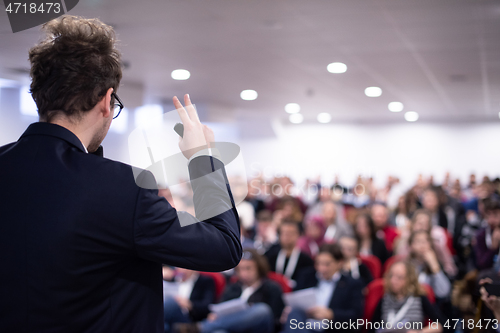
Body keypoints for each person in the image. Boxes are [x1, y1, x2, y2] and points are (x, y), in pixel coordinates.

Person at [0, 16, 242, 332]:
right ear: (105, 100)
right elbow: (224, 247)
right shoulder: (124, 189)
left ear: (38, 95)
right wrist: (202, 158)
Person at [175, 249, 285, 333]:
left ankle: (200, 328)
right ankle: (204, 327)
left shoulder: (272, 288)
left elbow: (274, 319)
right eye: (240, 269)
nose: (244, 274)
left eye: (248, 268)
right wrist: (214, 316)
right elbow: (220, 308)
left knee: (262, 310)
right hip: (232, 329)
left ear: (259, 267)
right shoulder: (234, 288)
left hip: (257, 329)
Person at [281, 243, 364, 333]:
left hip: (329, 328)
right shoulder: (306, 276)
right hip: (304, 323)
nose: (321, 268)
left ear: (340, 263)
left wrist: (331, 314)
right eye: (318, 263)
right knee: (294, 313)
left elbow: (355, 315)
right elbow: (296, 299)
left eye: (327, 264)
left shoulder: (352, 284)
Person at [369, 261, 446, 333]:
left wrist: (420, 332)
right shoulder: (384, 299)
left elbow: (443, 324)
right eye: (391, 276)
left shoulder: (419, 298)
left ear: (409, 279)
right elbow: (372, 328)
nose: (393, 281)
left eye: (399, 277)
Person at [394, 209, 457, 278]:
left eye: (426, 224)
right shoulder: (404, 243)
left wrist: (435, 266)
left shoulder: (436, 244)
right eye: (420, 223)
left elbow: (451, 268)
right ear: (413, 224)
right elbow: (399, 265)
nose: (422, 227)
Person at [162, 268, 216, 333]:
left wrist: (189, 304)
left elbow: (206, 305)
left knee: (171, 303)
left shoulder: (205, 281)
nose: (181, 269)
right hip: (171, 316)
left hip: (189, 318)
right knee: (165, 326)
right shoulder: (173, 279)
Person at [265, 220, 316, 290]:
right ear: (279, 235)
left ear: (298, 235)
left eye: (291, 233)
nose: (287, 236)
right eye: (284, 233)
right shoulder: (270, 257)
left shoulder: (306, 261)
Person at [408, 231, 452, 300]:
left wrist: (434, 266)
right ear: (411, 245)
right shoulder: (406, 265)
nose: (422, 245)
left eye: (425, 241)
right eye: (418, 241)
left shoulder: (436, 264)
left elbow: (444, 292)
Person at [474, 200, 500, 271]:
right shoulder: (481, 235)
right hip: (491, 272)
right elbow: (481, 264)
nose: (491, 220)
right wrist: (493, 247)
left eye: (495, 215)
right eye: (488, 215)